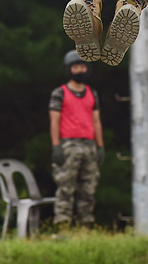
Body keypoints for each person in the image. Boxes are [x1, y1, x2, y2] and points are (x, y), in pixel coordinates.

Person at [49, 50, 105, 226]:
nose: (79, 70)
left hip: (89, 144)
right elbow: (54, 121)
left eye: (82, 66)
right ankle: (63, 224)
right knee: (66, 187)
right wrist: (56, 145)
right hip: (68, 144)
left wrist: (100, 146)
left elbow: (96, 121)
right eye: (76, 67)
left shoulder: (91, 93)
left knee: (88, 189)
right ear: (69, 69)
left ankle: (85, 225)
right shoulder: (60, 93)